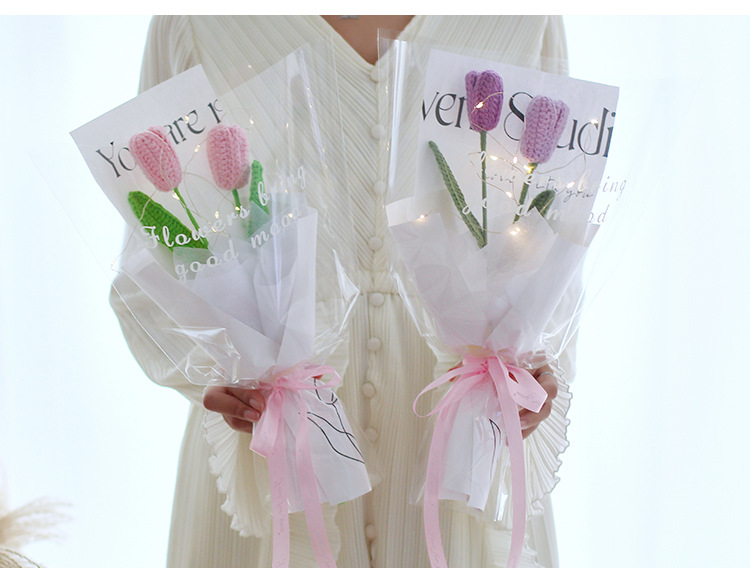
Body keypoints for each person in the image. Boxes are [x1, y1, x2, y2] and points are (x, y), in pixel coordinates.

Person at [111, 15, 574, 567]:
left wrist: (535, 369)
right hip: (269, 424)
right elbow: (151, 248)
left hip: (466, 414)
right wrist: (216, 372)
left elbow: (560, 224)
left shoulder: (527, 17)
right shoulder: (194, 20)